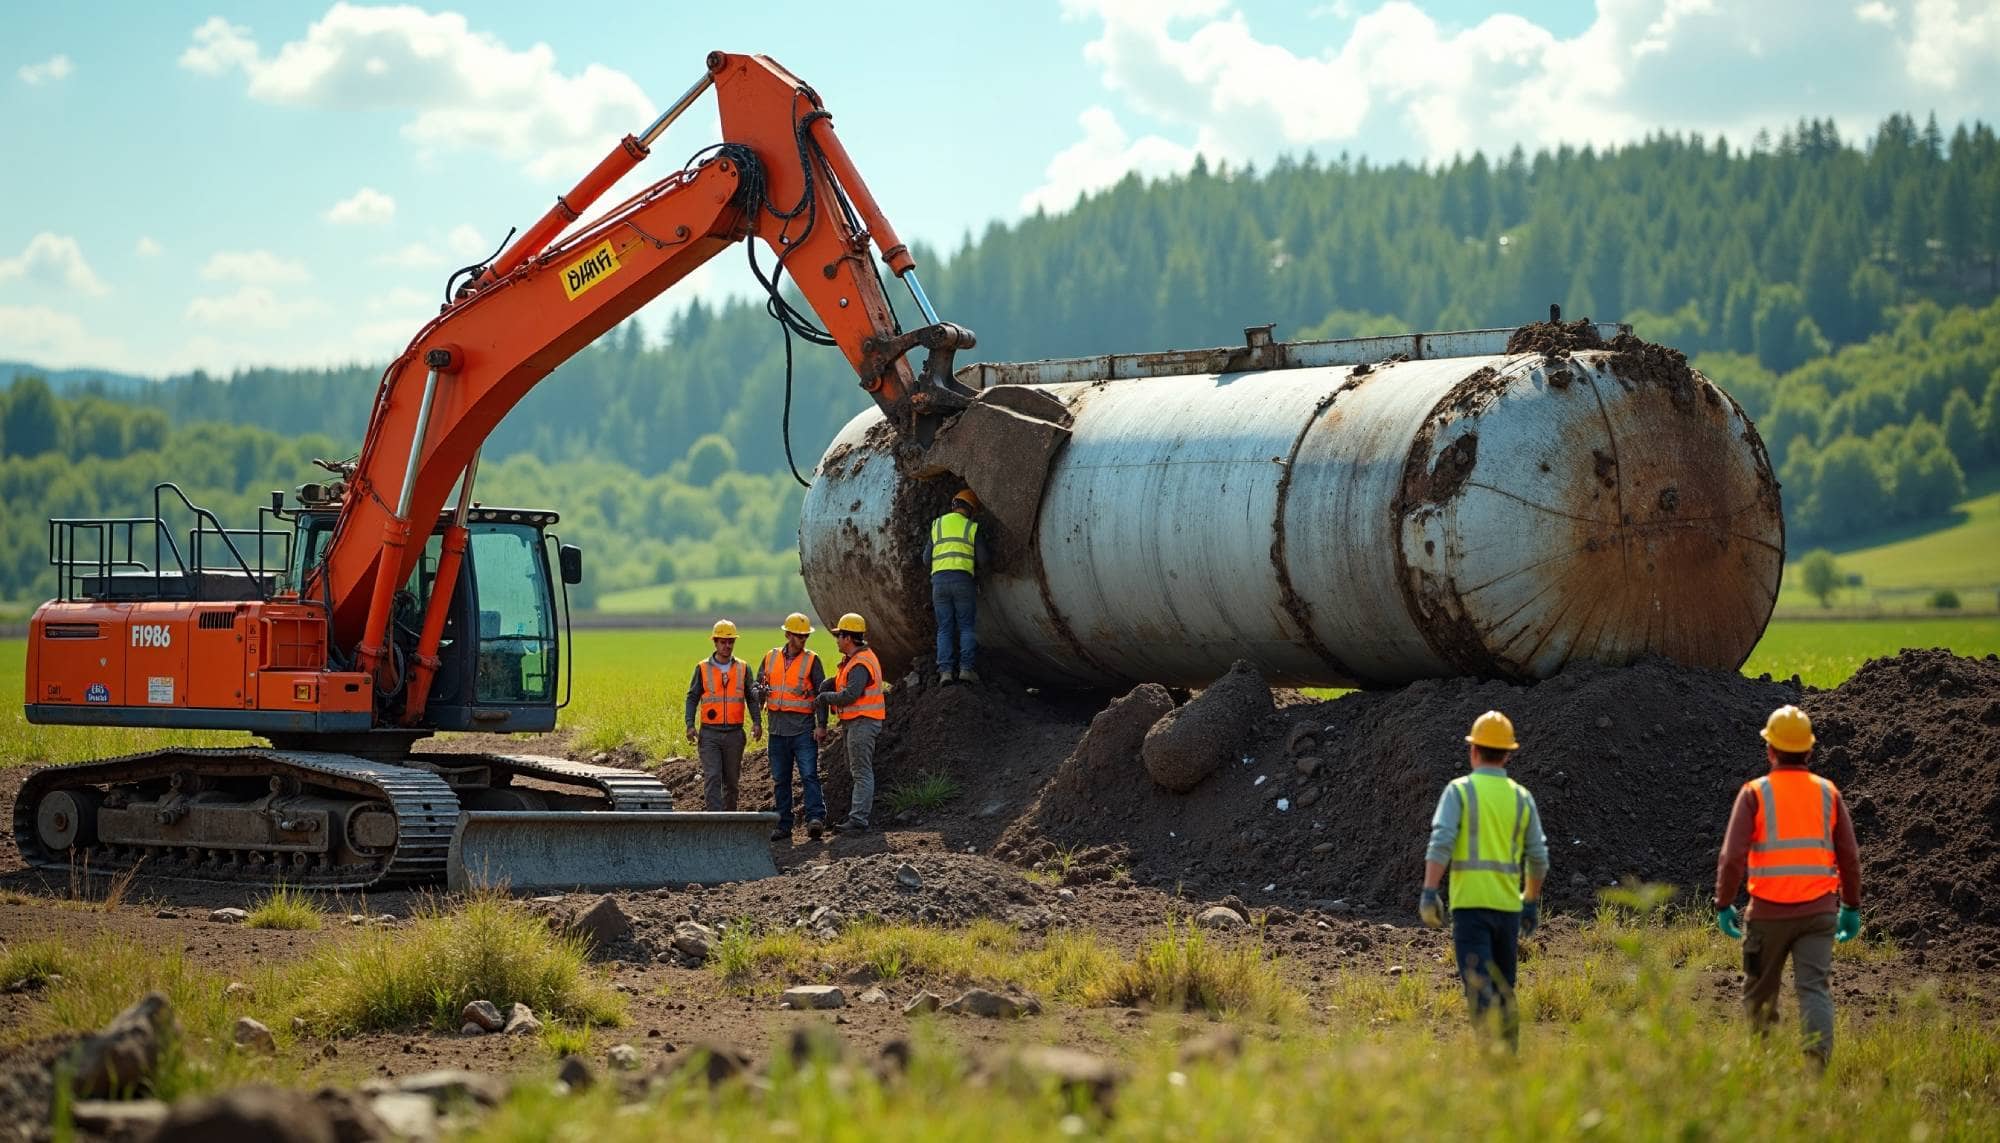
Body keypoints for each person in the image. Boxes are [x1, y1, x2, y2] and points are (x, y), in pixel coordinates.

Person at [1713, 704, 1863, 1069]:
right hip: (1819, 913)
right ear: (1810, 751)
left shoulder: (1755, 793)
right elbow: (1849, 856)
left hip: (1767, 914)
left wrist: (1724, 903)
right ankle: (1815, 1069)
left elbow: (1732, 856)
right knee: (1814, 989)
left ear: (1770, 750)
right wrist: (1851, 906)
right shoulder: (1829, 793)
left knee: (1760, 991)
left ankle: (1764, 1066)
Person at [1418, 710, 1549, 1050]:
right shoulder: (1522, 798)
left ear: (1473, 751)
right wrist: (1530, 901)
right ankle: (1509, 1064)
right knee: (1505, 991)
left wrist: (1430, 891)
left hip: (1471, 910)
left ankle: (1492, 1065)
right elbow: (1539, 857)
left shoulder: (1459, 792)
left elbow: (1441, 842)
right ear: (1508, 754)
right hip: (1508, 911)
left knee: (1480, 990)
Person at [755, 612, 829, 842]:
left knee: (809, 775)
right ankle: (783, 825)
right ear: (787, 635)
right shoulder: (770, 657)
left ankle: (815, 819)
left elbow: (822, 694)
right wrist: (760, 692)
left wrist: (822, 725)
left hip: (803, 730)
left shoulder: (812, 660)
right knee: (780, 780)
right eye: (798, 635)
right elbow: (757, 686)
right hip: (777, 731)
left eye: (805, 636)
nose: (803, 639)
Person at [817, 612, 884, 833]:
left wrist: (825, 698)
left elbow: (850, 695)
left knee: (861, 772)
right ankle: (857, 817)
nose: (836, 639)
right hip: (855, 722)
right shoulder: (854, 661)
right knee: (856, 769)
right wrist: (826, 688)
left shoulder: (860, 663)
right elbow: (837, 684)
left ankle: (858, 821)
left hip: (863, 722)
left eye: (838, 635)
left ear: (848, 638)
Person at [684, 619, 761, 811]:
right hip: (710, 734)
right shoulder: (702, 668)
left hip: (735, 734)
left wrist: (757, 722)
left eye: (731, 642)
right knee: (712, 777)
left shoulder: (743, 668)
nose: (727, 645)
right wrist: (690, 724)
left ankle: (729, 820)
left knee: (732, 782)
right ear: (715, 642)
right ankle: (715, 821)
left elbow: (751, 698)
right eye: (723, 641)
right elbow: (692, 697)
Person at [929, 488, 991, 686]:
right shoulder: (972, 528)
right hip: (963, 582)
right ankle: (966, 670)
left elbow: (925, 558)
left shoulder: (937, 525)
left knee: (944, 628)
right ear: (971, 509)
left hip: (939, 583)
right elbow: (983, 559)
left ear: (954, 505)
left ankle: (945, 672)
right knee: (966, 627)